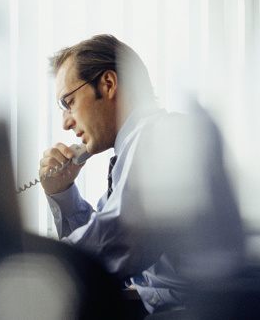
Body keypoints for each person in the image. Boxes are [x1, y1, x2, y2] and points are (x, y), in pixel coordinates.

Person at [39, 34, 245, 316]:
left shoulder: (159, 136)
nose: (65, 122)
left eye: (68, 101)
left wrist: (37, 263)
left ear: (108, 84)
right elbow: (102, 245)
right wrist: (63, 193)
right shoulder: (132, 151)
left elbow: (119, 241)